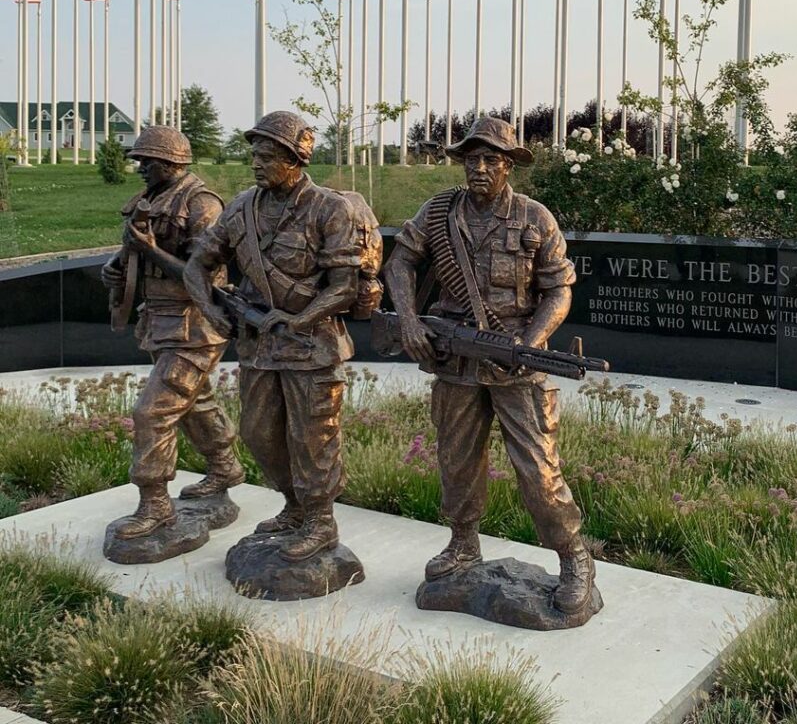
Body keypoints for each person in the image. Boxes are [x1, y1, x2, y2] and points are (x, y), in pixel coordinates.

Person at [384, 115, 595, 614]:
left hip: (515, 362)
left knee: (539, 471)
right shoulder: (439, 213)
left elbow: (559, 288)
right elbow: (399, 263)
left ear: (508, 167)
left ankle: (574, 557)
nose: (479, 168)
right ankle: (463, 543)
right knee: (456, 461)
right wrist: (410, 321)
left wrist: (530, 340)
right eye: (472, 159)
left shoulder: (534, 217)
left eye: (491, 160)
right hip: (455, 359)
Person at [184, 111, 379, 562]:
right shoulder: (242, 208)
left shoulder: (330, 208)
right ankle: (294, 507)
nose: (255, 162)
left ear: (294, 159)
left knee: (314, 438)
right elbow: (198, 265)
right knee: (257, 433)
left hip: (313, 347)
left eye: (266, 155)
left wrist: (300, 319)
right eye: (253, 153)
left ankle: (320, 520)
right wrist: (214, 313)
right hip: (259, 345)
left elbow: (344, 286)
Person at [100, 126, 243, 540]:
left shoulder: (202, 204)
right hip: (160, 320)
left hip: (194, 326)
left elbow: (204, 277)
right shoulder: (153, 198)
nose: (140, 167)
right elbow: (131, 251)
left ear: (170, 163)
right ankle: (224, 467)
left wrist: (148, 251)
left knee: (153, 412)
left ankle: (156, 506)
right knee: (195, 402)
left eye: (147, 161)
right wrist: (115, 267)